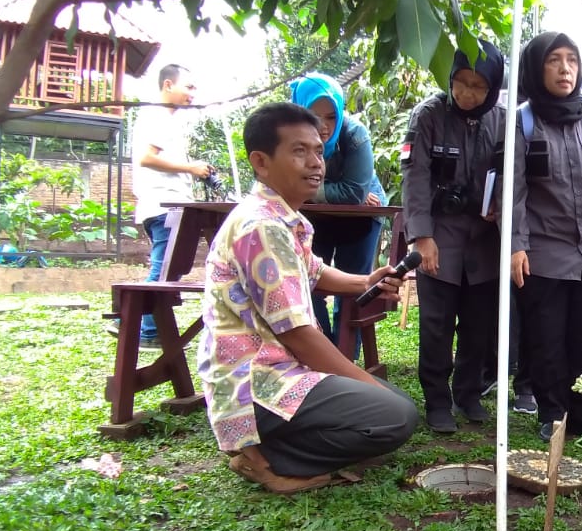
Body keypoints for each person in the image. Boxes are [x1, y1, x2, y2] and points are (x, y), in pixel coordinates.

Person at [198, 102, 417, 494]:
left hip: (276, 372)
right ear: (261, 162)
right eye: (299, 151)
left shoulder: (281, 218)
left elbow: (314, 271)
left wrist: (367, 279)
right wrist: (366, 383)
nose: (316, 163)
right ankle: (264, 458)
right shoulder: (263, 227)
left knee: (391, 404)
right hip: (257, 383)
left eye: (318, 150)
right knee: (395, 415)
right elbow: (298, 334)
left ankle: (269, 443)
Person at [511, 31, 582, 442]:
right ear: (535, 68)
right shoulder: (521, 122)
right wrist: (516, 246)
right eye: (554, 60)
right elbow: (514, 192)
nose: (565, 69)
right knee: (546, 336)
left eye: (572, 60)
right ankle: (552, 413)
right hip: (543, 250)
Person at [401, 40, 518, 433]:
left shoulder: (502, 119)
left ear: (493, 88)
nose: (469, 94)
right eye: (462, 83)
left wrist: (501, 207)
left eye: (479, 86)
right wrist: (422, 237)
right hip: (440, 236)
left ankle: (467, 394)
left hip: (484, 239)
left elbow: (510, 175)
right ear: (450, 79)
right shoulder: (428, 115)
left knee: (477, 324)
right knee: (436, 323)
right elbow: (414, 176)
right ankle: (437, 401)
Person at [287, 74, 388, 349]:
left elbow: (354, 193)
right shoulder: (283, 135)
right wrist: (338, 191)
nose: (323, 127)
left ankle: (344, 357)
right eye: (313, 116)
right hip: (314, 221)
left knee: (352, 285)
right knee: (307, 282)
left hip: (360, 220)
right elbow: (278, 184)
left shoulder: (354, 135)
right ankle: (319, 348)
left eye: (332, 116)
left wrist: (305, 190)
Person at [126, 63, 212, 349]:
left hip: (164, 206)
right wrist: (191, 168)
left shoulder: (166, 119)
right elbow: (147, 158)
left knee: (169, 269)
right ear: (167, 85)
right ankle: (146, 327)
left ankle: (143, 323)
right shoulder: (158, 116)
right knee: (164, 270)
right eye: (187, 86)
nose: (192, 93)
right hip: (164, 206)